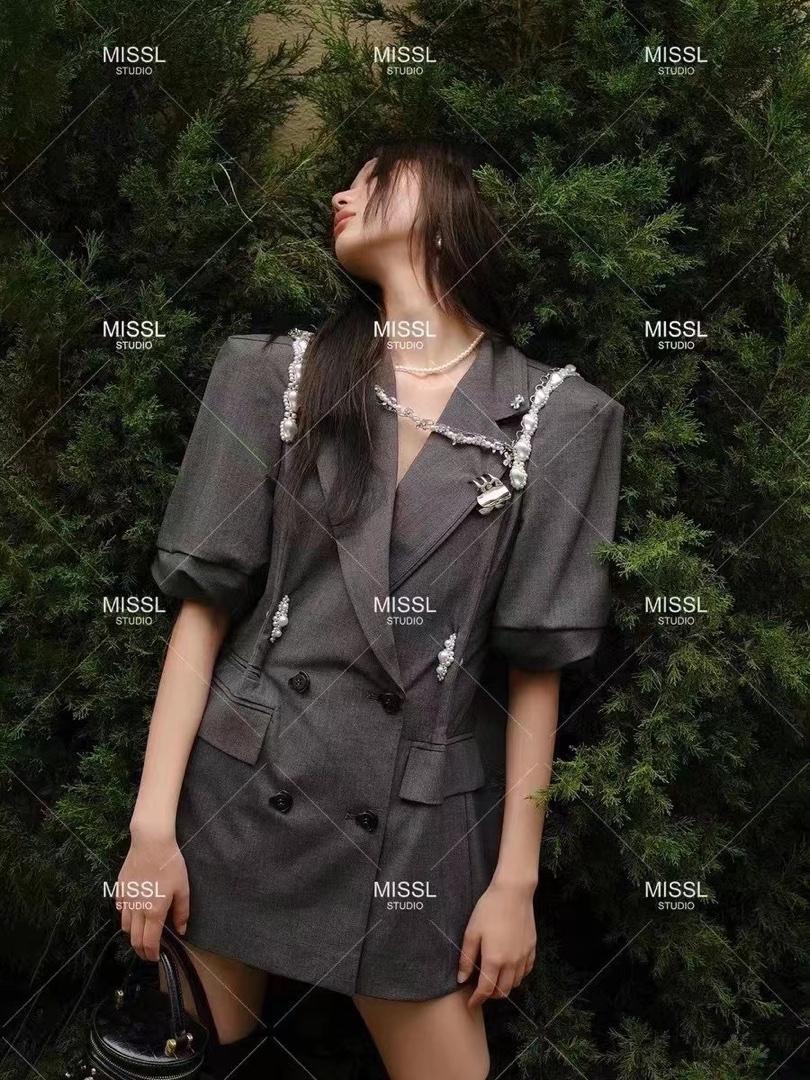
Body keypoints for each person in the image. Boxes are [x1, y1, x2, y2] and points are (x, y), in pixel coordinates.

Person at [117, 137, 624, 1080]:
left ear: (445, 208)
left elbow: (535, 669)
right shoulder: (277, 375)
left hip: (415, 833)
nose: (340, 195)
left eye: (372, 179)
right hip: (241, 802)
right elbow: (202, 615)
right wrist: (151, 832)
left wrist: (514, 884)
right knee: (187, 1067)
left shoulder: (561, 417)